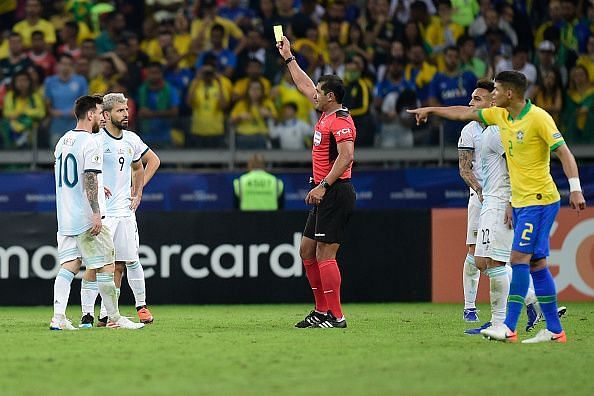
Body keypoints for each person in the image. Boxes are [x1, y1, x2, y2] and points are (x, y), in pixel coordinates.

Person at [408, 71, 586, 343]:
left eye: (496, 91)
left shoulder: (537, 118)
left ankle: (506, 325)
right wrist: (431, 109)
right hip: (512, 199)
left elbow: (561, 153)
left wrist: (574, 188)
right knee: (530, 263)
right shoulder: (500, 117)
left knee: (514, 261)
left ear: (509, 93)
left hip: (532, 199)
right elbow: (461, 114)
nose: (493, 95)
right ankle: (550, 327)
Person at [277, 35, 356, 329]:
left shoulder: (342, 121)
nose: (315, 95)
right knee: (307, 251)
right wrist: (289, 58)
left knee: (325, 253)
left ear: (331, 97)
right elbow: (304, 85)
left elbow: (347, 156)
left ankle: (337, 315)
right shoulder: (325, 114)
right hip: (325, 192)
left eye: (320, 93)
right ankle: (321, 311)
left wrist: (323, 186)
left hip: (335, 192)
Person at [50, 95, 143, 331]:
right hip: (86, 215)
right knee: (107, 265)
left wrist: (99, 186)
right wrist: (95, 211)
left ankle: (58, 317)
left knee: (70, 265)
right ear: (91, 114)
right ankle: (114, 317)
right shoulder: (91, 142)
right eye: (100, 112)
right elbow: (89, 176)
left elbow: (71, 177)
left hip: (65, 215)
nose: (102, 117)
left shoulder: (63, 141)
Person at [78, 93, 160, 328]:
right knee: (96, 265)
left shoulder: (131, 140)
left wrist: (138, 191)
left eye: (126, 110)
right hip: (101, 213)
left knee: (123, 263)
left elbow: (139, 167)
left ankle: (109, 314)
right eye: (120, 111)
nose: (126, 114)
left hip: (124, 213)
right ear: (105, 114)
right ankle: (86, 315)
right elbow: (81, 171)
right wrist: (92, 184)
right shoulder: (94, 140)